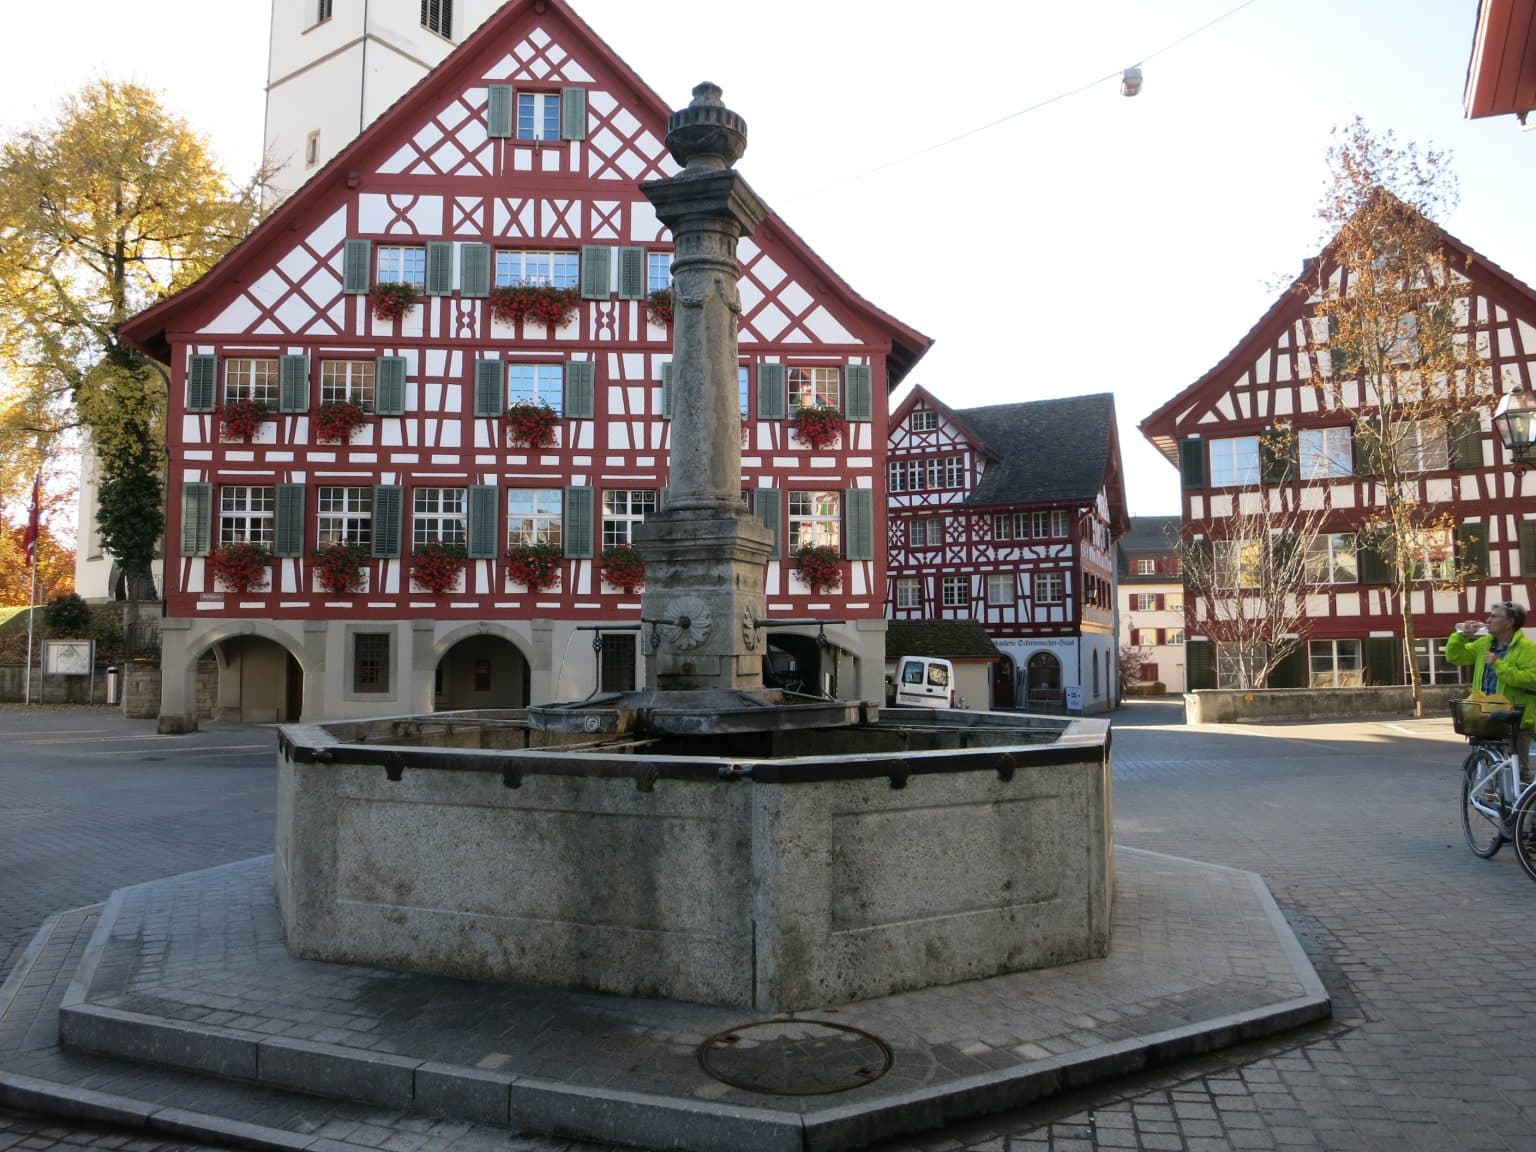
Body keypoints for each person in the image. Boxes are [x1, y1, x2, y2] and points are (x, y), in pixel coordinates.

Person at [1446, 602, 1536, 784]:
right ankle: (1491, 795)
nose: (1488, 620)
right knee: (1491, 770)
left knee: (1520, 774)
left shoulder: (1527, 648)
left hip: (1515, 720)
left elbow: (1531, 679)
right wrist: (1461, 636)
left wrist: (1498, 665)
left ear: (1510, 622)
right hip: (1484, 717)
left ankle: (1519, 800)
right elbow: (1455, 656)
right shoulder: (1484, 643)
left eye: (1494, 616)